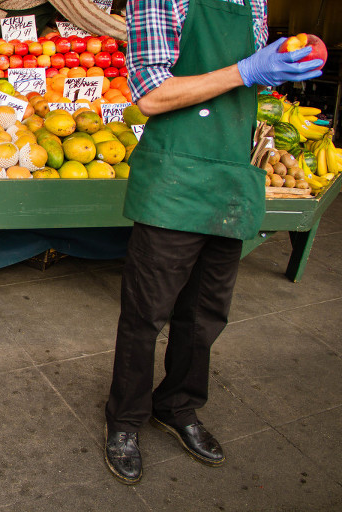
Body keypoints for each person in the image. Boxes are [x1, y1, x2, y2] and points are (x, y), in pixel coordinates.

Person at [103, 0, 323, 485]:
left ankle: (178, 405)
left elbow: (246, 80)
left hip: (231, 177)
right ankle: (125, 420)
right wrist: (246, 68)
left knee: (206, 314)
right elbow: (152, 95)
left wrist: (276, 69)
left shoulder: (254, 2)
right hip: (176, 176)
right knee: (146, 313)